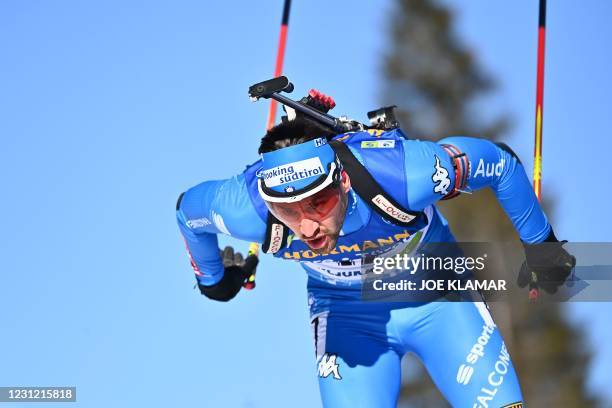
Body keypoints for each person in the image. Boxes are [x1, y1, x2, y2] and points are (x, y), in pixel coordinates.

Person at [175, 99, 574, 407]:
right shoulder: (243, 208)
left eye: (318, 203)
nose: (308, 225)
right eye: (287, 211)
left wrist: (542, 246)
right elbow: (186, 213)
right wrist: (212, 280)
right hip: (348, 315)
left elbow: (500, 164)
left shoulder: (401, 173)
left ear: (342, 181)